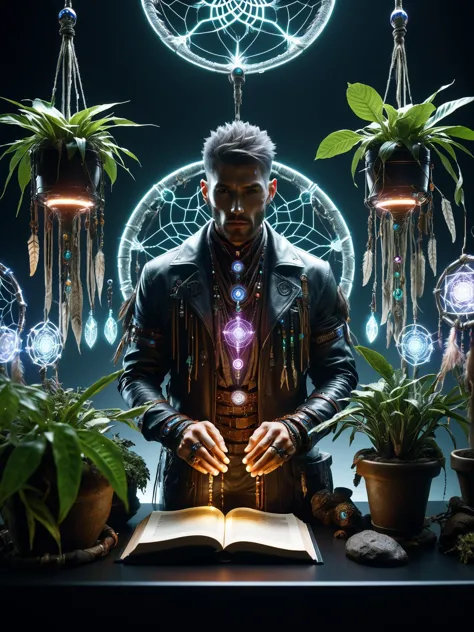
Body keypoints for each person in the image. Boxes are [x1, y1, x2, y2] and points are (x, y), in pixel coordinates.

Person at [117, 120, 358, 519]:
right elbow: (135, 375)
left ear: (272, 190)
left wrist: (297, 427)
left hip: (290, 491)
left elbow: (341, 374)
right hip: (190, 494)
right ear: (204, 190)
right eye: (224, 192)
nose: (237, 208)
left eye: (251, 192)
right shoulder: (160, 276)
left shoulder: (313, 276)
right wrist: (174, 428)